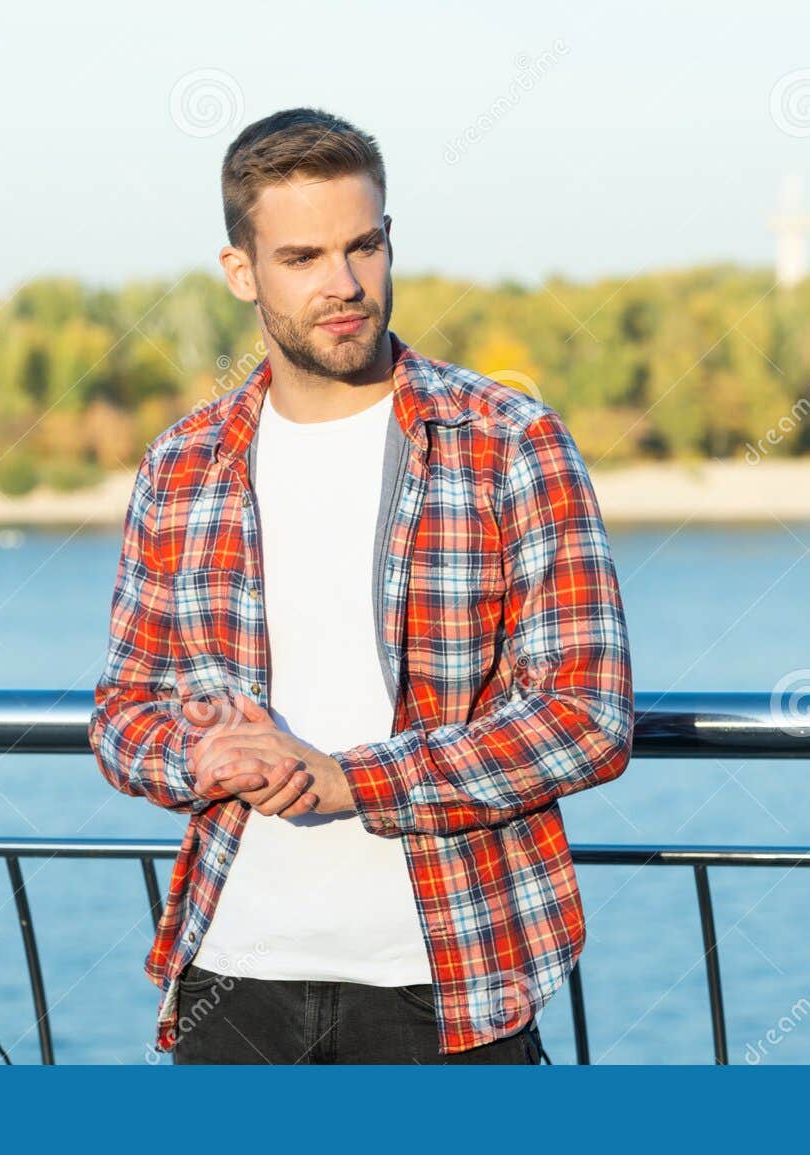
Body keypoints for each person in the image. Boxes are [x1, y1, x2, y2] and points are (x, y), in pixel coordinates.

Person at [90, 107, 633, 1064]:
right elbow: (123, 714)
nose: (343, 285)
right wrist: (199, 760)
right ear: (241, 272)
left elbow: (587, 716)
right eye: (302, 257)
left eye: (364, 246)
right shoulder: (182, 462)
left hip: (451, 981)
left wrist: (355, 781)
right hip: (231, 978)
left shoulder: (508, 440)